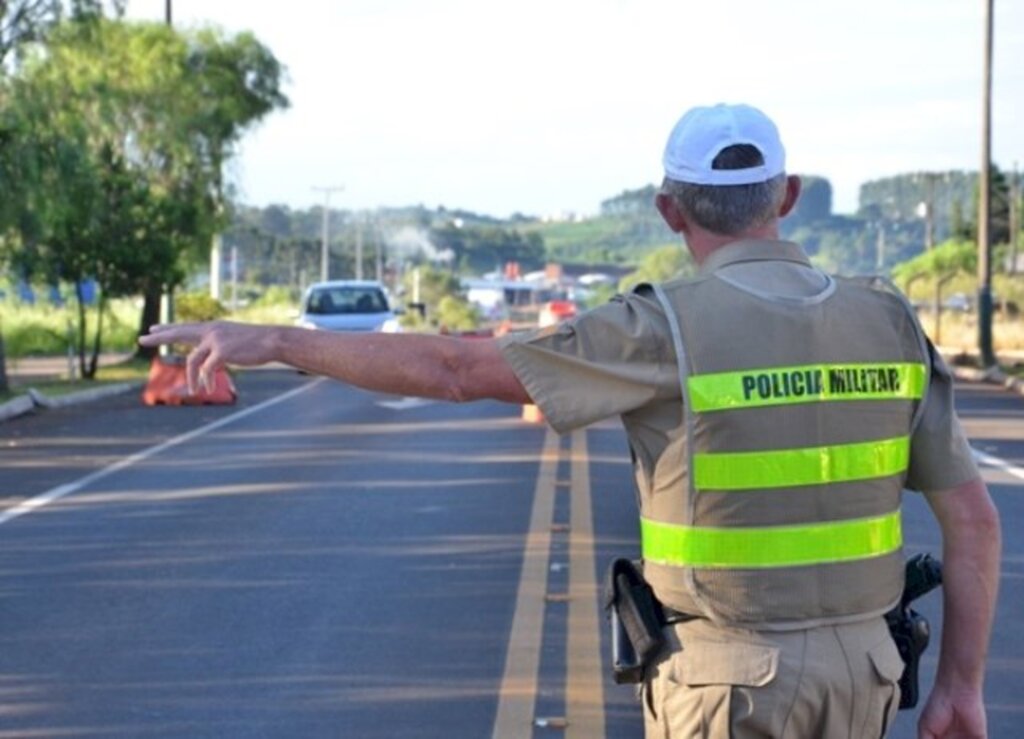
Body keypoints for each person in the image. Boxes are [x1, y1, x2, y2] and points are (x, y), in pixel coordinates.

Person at [140, 103, 1001, 739]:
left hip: (729, 690)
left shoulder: (661, 324)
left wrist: (275, 339)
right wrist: (960, 684)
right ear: (790, 194)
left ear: (671, 210)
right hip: (868, 676)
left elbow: (454, 368)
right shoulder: (888, 320)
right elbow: (972, 520)